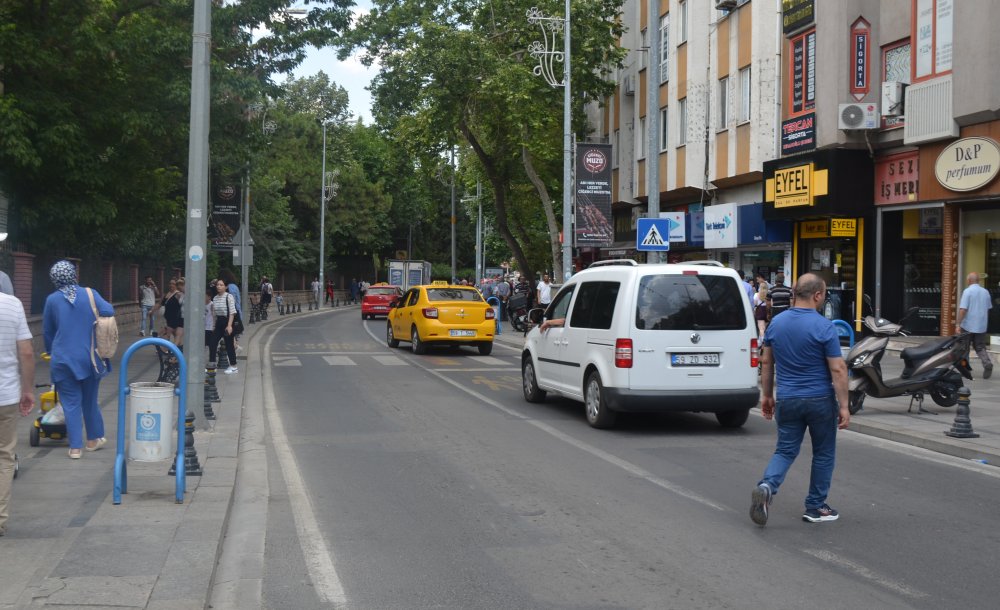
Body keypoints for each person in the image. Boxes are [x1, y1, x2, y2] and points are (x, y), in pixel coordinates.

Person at [750, 273, 850, 527]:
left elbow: (766, 361)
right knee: (824, 453)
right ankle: (815, 507)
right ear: (817, 295)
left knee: (785, 450)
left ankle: (767, 485)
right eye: (824, 293)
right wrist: (845, 406)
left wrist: (767, 396)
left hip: (788, 398)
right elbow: (838, 369)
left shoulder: (777, 323)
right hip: (819, 400)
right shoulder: (824, 326)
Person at [42, 261, 114, 459]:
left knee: (71, 403)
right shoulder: (90, 294)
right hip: (89, 357)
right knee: (89, 400)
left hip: (63, 360)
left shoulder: (52, 300)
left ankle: (75, 448)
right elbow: (109, 311)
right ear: (74, 275)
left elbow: (48, 332)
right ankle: (93, 440)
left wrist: (51, 351)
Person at [0, 289, 35, 536]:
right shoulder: (12, 305)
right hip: (5, 395)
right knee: (4, 456)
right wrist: (27, 390)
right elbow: (26, 352)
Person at [956, 271, 993, 379]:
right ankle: (987, 363)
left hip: (967, 325)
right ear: (978, 281)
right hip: (981, 325)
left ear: (969, 281)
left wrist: (958, 324)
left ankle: (965, 369)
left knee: (964, 348)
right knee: (980, 347)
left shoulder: (967, 291)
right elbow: (988, 308)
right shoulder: (985, 292)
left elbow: (963, 309)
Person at [210, 279, 238, 374]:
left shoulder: (229, 297)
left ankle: (233, 366)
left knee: (229, 345)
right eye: (218, 285)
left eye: (221, 285)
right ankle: (212, 365)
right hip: (219, 322)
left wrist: (229, 326)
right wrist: (214, 326)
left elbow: (232, 312)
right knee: (212, 342)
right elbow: (214, 313)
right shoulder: (215, 298)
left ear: (225, 287)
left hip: (228, 321)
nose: (219, 286)